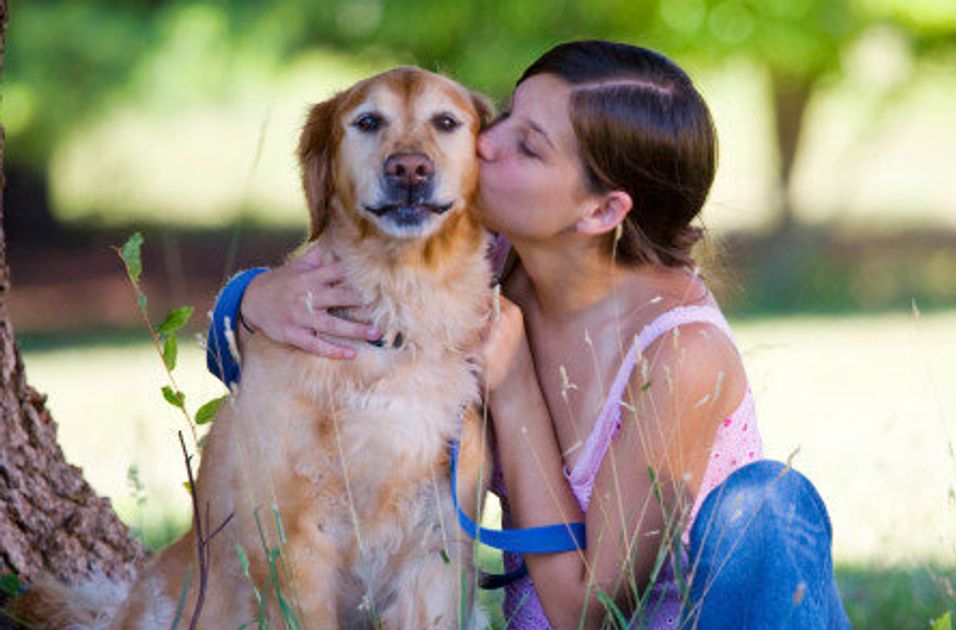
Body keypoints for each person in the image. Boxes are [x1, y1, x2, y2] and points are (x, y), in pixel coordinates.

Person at [207, 40, 850, 629]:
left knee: (765, 502)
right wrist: (249, 301)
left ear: (601, 211)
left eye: (529, 145)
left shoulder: (680, 353)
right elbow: (288, 372)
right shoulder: (481, 266)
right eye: (506, 116)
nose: (485, 141)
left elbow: (583, 612)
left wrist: (512, 388)